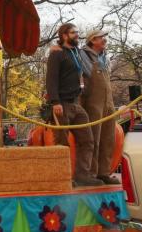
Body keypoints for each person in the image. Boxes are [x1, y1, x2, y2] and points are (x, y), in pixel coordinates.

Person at [45, 23, 100, 187]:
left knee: (88, 140)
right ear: (63, 35)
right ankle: (62, 178)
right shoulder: (57, 54)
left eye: (77, 31)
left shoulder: (76, 52)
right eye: (73, 32)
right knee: (62, 143)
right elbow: (51, 79)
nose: (77, 34)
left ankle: (83, 175)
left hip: (77, 103)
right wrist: (55, 101)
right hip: (62, 103)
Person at [80, 28, 121, 184]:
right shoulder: (84, 54)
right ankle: (90, 174)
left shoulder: (105, 57)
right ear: (93, 40)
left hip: (108, 102)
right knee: (94, 138)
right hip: (93, 101)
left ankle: (103, 172)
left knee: (108, 138)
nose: (105, 40)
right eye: (101, 37)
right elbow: (83, 76)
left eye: (105, 37)